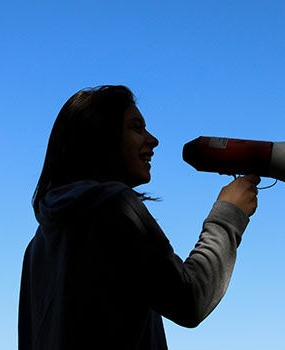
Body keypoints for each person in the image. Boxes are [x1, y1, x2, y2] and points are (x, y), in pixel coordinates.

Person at [18, 85, 260, 349]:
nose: (153, 140)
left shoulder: (37, 246)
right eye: (136, 127)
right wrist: (228, 213)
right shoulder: (114, 204)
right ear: (101, 136)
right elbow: (190, 300)